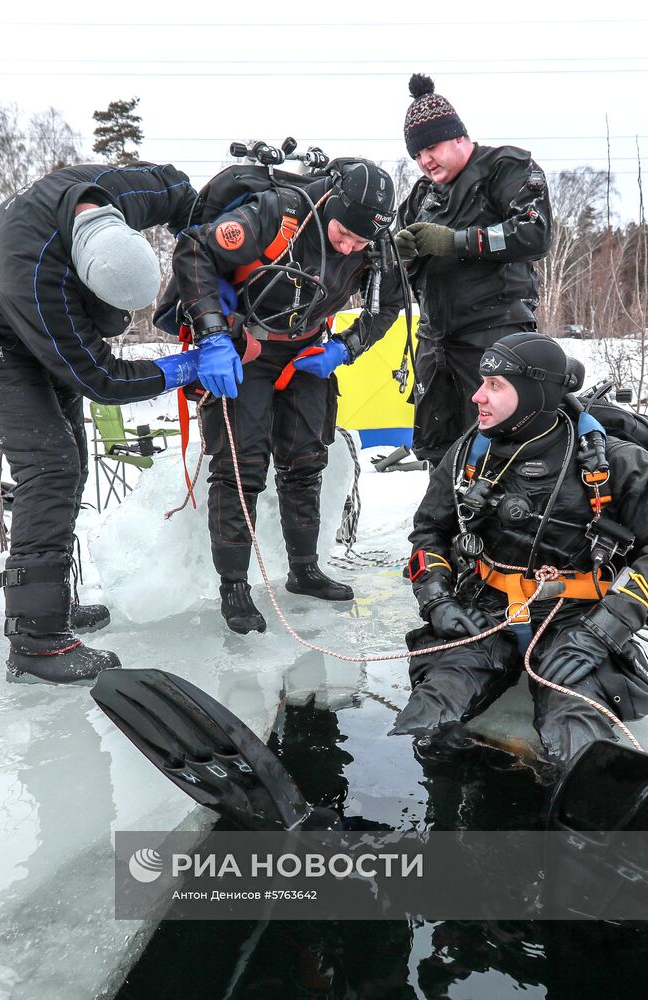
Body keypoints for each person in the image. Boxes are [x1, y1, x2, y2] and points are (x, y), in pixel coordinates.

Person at [0, 161, 228, 684]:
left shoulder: (125, 192)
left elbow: (184, 193)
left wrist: (205, 266)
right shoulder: (36, 277)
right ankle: (35, 638)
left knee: (71, 456)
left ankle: (53, 602)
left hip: (27, 308)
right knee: (50, 467)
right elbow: (101, 380)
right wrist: (180, 368)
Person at [160, 158, 403, 635]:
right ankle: (234, 584)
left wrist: (344, 348)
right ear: (331, 203)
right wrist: (211, 333)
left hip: (308, 350)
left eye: (360, 242)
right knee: (240, 464)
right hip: (245, 345)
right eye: (344, 234)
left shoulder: (373, 243)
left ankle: (304, 569)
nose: (350, 246)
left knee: (306, 458)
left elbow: (387, 305)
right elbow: (194, 250)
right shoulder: (279, 213)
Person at [391, 332, 648, 763]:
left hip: (577, 620)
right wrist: (438, 601)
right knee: (428, 714)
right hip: (484, 612)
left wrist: (601, 633)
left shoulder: (615, 464)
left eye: (496, 385)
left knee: (576, 734)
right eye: (481, 382)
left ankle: (582, 822)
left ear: (534, 393)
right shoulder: (469, 452)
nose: (477, 396)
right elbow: (429, 531)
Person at [395, 74, 552, 468]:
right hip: (435, 344)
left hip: (497, 338)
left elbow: (535, 233)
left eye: (431, 147)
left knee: (503, 449)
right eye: (417, 154)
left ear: (459, 137)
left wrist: (455, 242)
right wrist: (399, 255)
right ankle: (446, 528)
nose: (425, 160)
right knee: (440, 455)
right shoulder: (420, 197)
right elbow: (388, 266)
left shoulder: (505, 167)